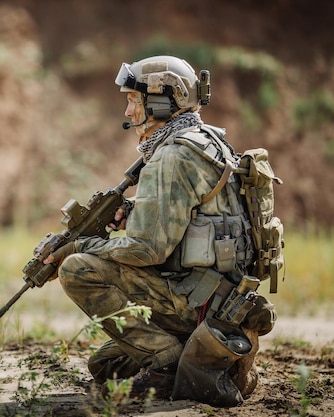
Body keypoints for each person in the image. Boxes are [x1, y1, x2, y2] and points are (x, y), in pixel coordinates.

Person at [43, 55, 276, 405]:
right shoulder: (208, 142)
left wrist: (81, 247)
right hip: (224, 302)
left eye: (134, 101)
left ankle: (167, 367)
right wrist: (134, 210)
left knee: (78, 269)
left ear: (162, 102)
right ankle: (209, 355)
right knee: (106, 364)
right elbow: (200, 216)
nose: (127, 111)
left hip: (199, 304)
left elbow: (147, 250)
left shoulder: (172, 157)